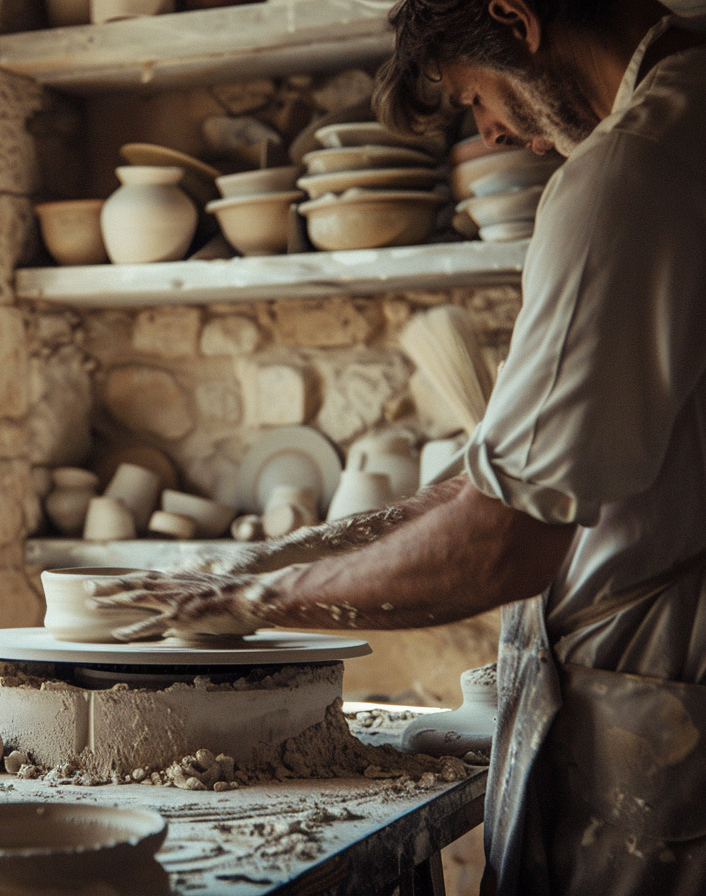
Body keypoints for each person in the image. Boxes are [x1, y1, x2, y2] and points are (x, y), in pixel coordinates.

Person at [90, 1, 706, 893]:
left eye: (474, 96)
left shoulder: (631, 172)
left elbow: (502, 541)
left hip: (667, 697)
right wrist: (252, 568)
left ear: (517, 19)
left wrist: (254, 603)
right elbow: (465, 493)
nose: (491, 131)